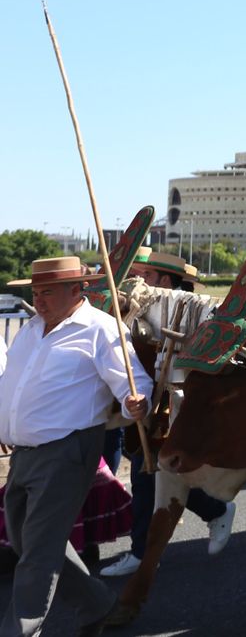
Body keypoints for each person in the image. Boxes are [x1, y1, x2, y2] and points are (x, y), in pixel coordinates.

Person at [0, 257, 152, 637]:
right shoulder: (31, 329)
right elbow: (15, 384)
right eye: (34, 292)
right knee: (26, 542)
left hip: (67, 451)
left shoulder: (101, 329)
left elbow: (135, 385)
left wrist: (136, 402)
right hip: (25, 452)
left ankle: (20, 630)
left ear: (76, 290)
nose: (38, 300)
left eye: (46, 292)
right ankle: (96, 603)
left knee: (36, 554)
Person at [99, 253, 235, 578]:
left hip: (172, 408)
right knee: (157, 476)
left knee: (153, 475)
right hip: (142, 405)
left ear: (164, 280)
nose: (138, 280)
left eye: (146, 274)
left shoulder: (193, 312)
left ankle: (142, 552)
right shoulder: (142, 307)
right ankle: (213, 512)